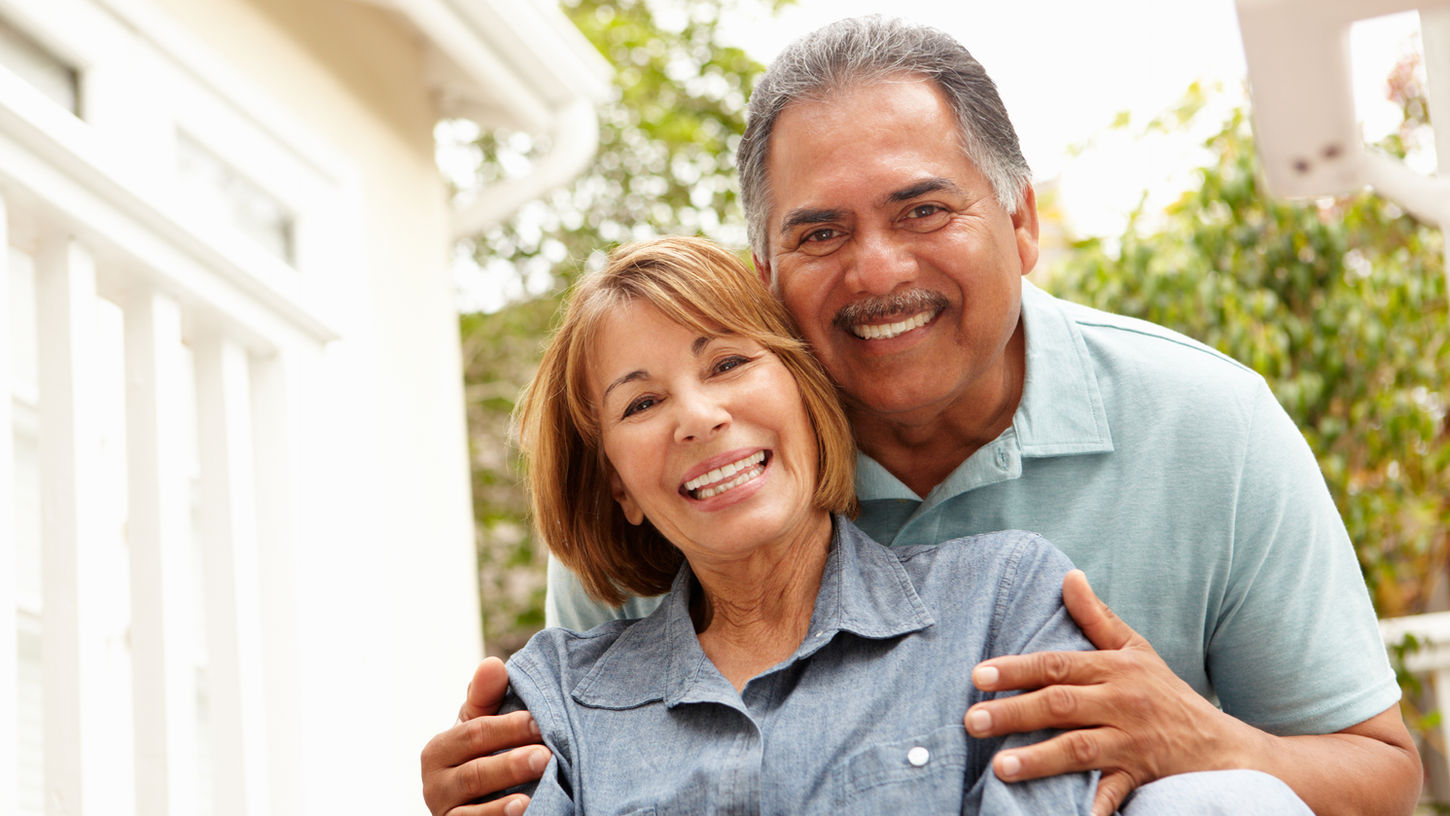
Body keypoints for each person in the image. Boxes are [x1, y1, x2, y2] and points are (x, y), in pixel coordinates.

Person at [421, 16, 1420, 816]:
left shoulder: (1205, 423)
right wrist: (493, 782)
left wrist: (1208, 740)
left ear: (1021, 223)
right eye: (819, 233)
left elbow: (1380, 773)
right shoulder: (705, 478)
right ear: (765, 279)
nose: (878, 270)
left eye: (924, 210)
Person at [466, 236, 1309, 816]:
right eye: (642, 403)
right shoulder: (554, 701)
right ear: (619, 484)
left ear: (805, 393)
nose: (698, 417)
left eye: (728, 362)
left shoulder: (1006, 603)